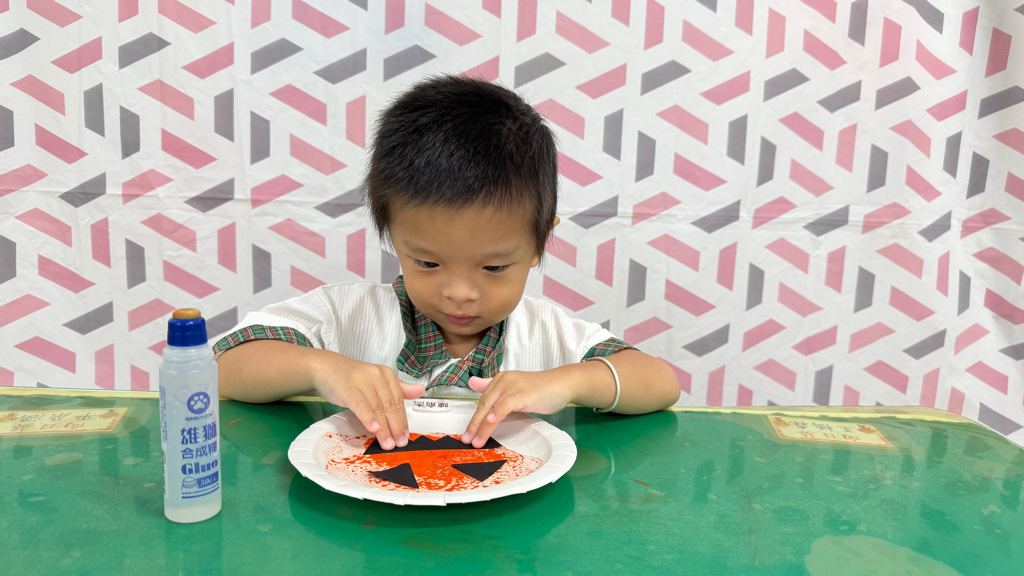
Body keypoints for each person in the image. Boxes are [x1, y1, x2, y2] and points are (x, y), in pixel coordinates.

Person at [214, 74, 680, 451]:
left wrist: (569, 382)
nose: (459, 293)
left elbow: (661, 383)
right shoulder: (347, 316)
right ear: (392, 237)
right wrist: (322, 368)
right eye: (427, 263)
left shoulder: (551, 335)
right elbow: (222, 367)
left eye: (493, 268)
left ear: (539, 243)